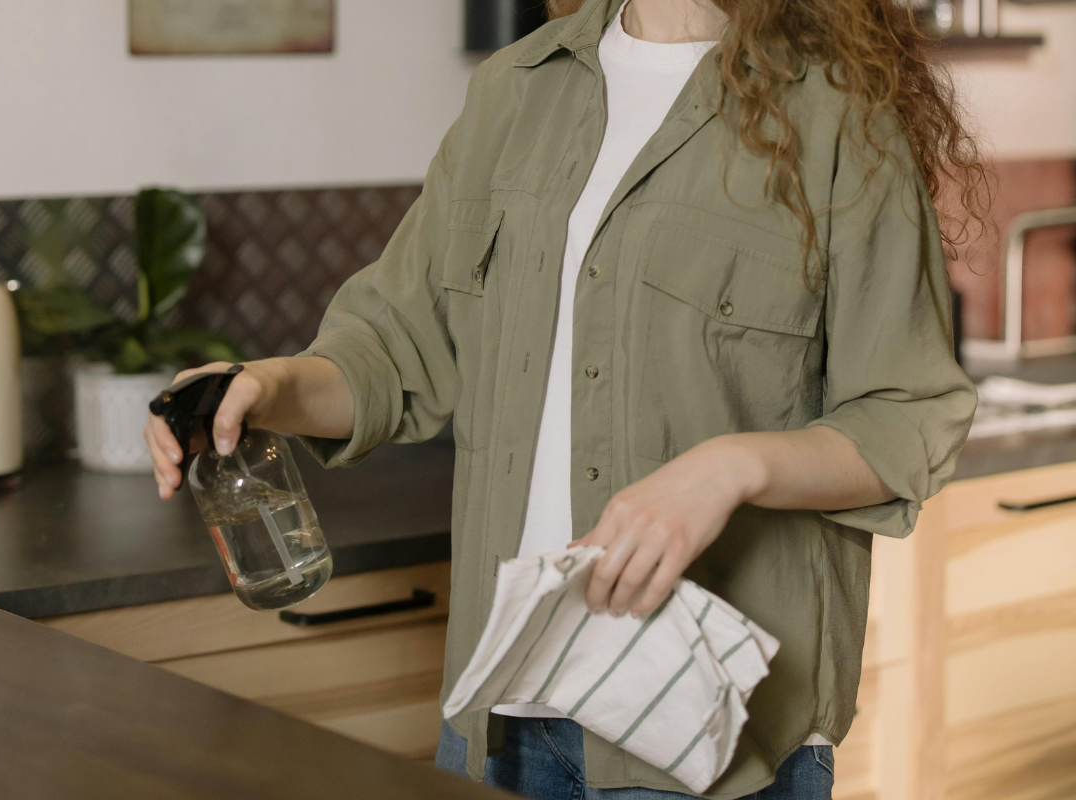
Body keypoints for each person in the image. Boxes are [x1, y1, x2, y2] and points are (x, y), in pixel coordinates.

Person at [146, 0, 987, 796]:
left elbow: (907, 415)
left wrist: (732, 468)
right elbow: (395, 351)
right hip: (500, 720)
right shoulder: (515, 90)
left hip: (715, 738)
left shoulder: (839, 111)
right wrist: (268, 387)